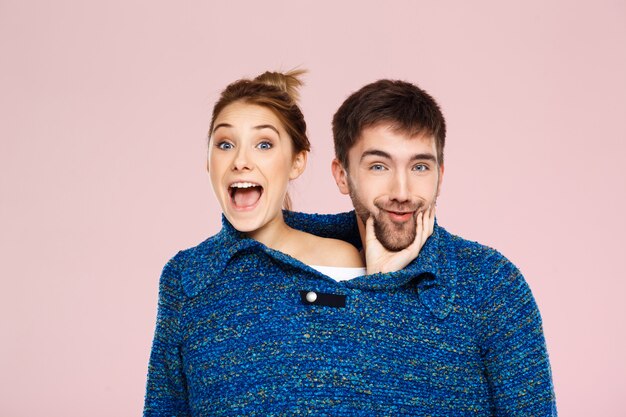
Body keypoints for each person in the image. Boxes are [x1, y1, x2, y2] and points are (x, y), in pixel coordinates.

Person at [143, 71, 434, 416]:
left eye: (264, 144)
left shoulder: (339, 257)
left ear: (297, 162)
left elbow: (376, 384)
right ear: (208, 162)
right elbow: (165, 406)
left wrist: (381, 285)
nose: (241, 160)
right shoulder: (186, 276)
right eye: (225, 144)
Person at [289, 79, 558, 415]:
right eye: (378, 166)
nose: (402, 191)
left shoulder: (491, 285)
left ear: (440, 175)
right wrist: (378, 289)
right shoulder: (298, 272)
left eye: (419, 167)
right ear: (342, 175)